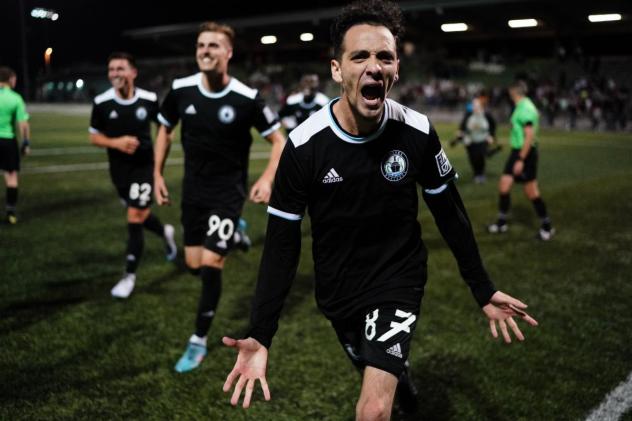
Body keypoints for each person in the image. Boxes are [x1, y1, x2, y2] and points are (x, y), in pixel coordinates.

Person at [222, 1, 539, 419]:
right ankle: (403, 385)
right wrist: (261, 334)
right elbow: (281, 246)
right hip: (338, 288)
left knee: (371, 410)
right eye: (360, 56)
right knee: (382, 377)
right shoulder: (303, 147)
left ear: (396, 70)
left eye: (384, 57)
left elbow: (450, 213)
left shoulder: (417, 132)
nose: (374, 66)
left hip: (397, 276)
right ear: (338, 69)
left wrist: (481, 287)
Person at [153, 22, 285, 373]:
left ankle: (197, 341)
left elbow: (279, 140)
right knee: (194, 265)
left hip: (228, 194)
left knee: (211, 265)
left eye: (213, 45)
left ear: (228, 53)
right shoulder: (180, 90)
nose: (205, 51)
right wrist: (156, 174)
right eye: (200, 45)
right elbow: (164, 130)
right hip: (193, 193)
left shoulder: (246, 97)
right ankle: (235, 232)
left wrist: (268, 178)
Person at [89, 52, 178, 299]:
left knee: (134, 217)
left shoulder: (148, 99)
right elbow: (94, 136)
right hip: (118, 170)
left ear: (133, 72)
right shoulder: (102, 101)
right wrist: (116, 143)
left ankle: (129, 276)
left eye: (120, 69)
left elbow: (163, 129)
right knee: (140, 213)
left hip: (143, 167)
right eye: (111, 70)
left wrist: (158, 163)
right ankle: (165, 232)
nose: (115, 74)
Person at [487, 81, 555, 241]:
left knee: (531, 191)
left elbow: (529, 136)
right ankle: (501, 223)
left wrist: (521, 159)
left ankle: (547, 227)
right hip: (518, 151)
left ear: (514, 91)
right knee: (504, 184)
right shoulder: (523, 105)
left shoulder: (525, 108)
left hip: (525, 153)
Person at [0, 66, 30, 225]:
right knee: (11, 177)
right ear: (10, 79)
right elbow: (23, 124)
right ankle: (10, 212)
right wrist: (26, 142)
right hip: (7, 141)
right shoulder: (15, 98)